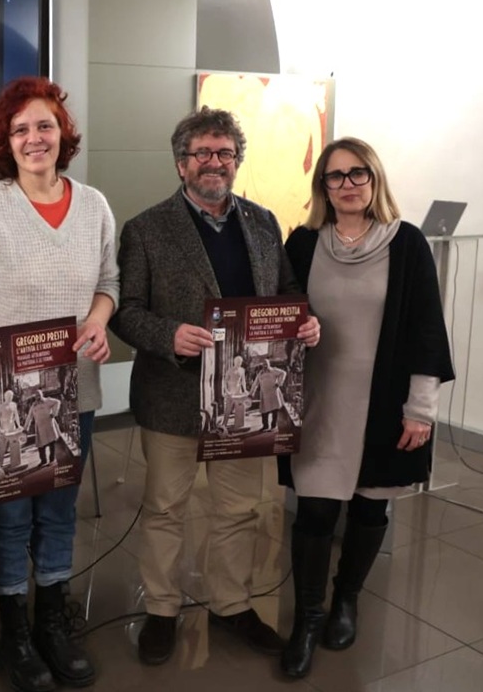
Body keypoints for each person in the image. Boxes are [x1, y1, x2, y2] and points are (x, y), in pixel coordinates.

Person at [110, 106, 320, 666]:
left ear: (236, 162)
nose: (214, 162)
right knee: (164, 508)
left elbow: (288, 292)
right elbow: (125, 312)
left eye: (224, 152)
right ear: (181, 163)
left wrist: (303, 320)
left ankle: (232, 605)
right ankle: (161, 609)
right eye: (201, 152)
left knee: (239, 509)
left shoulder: (263, 222)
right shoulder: (146, 229)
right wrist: (169, 335)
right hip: (173, 393)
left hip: (245, 398)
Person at [0, 76, 119, 691]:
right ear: (6, 142)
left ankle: (52, 619)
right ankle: (14, 630)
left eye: (44, 125)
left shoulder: (95, 206)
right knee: (10, 515)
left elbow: (109, 283)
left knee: (59, 511)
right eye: (20, 129)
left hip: (77, 388)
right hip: (5, 395)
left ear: (62, 133)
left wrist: (98, 322)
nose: (34, 138)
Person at [278, 137, 454, 678]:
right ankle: (308, 617)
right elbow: (281, 312)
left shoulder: (407, 243)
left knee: (370, 507)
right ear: (322, 186)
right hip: (318, 399)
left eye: (358, 173)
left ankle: (346, 598)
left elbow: (427, 329)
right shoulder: (303, 242)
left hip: (382, 401)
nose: (348, 184)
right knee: (314, 511)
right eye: (335, 176)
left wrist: (421, 408)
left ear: (375, 179)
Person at [25, 389, 63, 467]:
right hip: (40, 427)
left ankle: (52, 460)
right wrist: (26, 428)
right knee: (41, 445)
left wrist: (54, 413)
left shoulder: (47, 401)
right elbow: (29, 417)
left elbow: (57, 402)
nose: (38, 397)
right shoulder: (34, 405)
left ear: (42, 394)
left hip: (49, 425)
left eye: (39, 395)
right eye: (36, 395)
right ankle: (43, 461)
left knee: (52, 443)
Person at [252, 360, 288, 432]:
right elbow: (255, 383)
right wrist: (252, 393)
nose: (265, 366)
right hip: (264, 394)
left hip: (273, 393)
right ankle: (265, 426)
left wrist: (279, 383)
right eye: (263, 364)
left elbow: (283, 373)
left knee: (274, 410)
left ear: (269, 364)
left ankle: (273, 426)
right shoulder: (260, 373)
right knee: (264, 411)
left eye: (266, 364)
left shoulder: (273, 370)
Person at [0, 389, 23, 470]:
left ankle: (15, 462)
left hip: (12, 427)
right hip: (4, 428)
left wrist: (18, 425)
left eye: (11, 396)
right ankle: (0, 464)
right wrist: (0, 429)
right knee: (2, 447)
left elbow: (16, 416)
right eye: (8, 396)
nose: (10, 397)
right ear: (5, 397)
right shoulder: (1, 407)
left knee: (14, 445)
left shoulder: (14, 405)